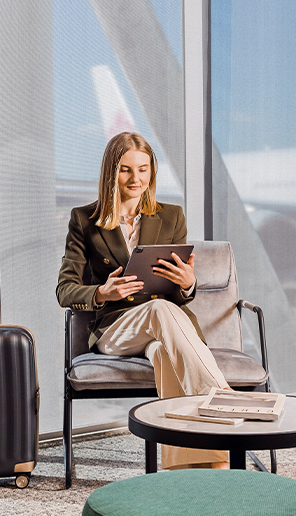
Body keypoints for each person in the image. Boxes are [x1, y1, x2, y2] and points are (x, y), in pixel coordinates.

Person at [57, 131, 230, 469]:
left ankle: (194, 464)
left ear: (152, 171)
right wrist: (102, 292)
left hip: (163, 328)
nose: (135, 179)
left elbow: (179, 293)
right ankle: (223, 399)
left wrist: (188, 284)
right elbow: (64, 289)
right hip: (115, 331)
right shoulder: (85, 220)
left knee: (166, 353)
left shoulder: (171, 216)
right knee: (159, 310)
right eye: (125, 169)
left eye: (143, 169)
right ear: (111, 172)